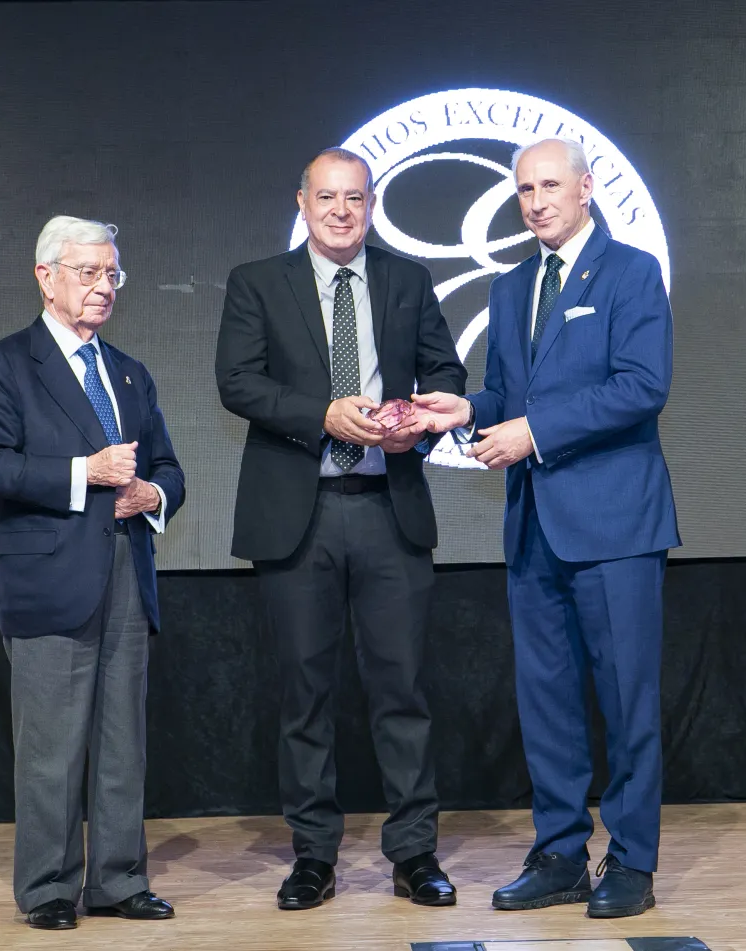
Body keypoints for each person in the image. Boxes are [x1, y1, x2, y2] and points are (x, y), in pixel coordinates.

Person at [412, 138, 680, 918]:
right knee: (548, 702)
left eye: (551, 185)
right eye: (525, 189)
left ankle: (631, 860)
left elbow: (642, 386)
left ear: (587, 188)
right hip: (534, 525)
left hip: (617, 524)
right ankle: (560, 854)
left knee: (627, 702)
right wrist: (468, 409)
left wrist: (533, 432)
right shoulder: (511, 286)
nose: (536, 201)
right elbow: (507, 393)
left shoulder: (631, 271)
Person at [215, 148, 467, 910]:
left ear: (372, 205)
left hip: (390, 507)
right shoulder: (258, 281)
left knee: (403, 689)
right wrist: (322, 414)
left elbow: (446, 372)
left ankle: (414, 852)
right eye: (326, 197)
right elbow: (237, 381)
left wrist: (416, 418)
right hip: (301, 514)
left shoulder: (408, 279)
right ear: (302, 203)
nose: (340, 211)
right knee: (305, 693)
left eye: (354, 198)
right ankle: (313, 855)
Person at [0, 215, 184, 930]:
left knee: (123, 742)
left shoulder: (129, 371)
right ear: (46, 277)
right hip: (49, 579)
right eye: (88, 272)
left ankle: (118, 880)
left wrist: (152, 495)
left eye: (111, 274)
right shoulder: (6, 364)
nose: (102, 286)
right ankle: (48, 887)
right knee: (51, 749)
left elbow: (168, 468)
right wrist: (83, 472)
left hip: (126, 572)